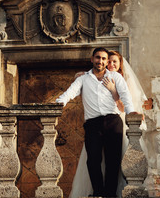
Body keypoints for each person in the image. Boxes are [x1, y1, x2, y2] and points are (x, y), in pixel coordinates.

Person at [56, 47, 136, 197]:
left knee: (113, 161)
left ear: (106, 62)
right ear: (92, 59)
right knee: (93, 160)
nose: (101, 61)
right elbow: (70, 92)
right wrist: (59, 102)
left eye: (104, 59)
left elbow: (125, 95)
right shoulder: (83, 79)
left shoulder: (115, 77)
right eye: (98, 58)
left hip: (113, 122)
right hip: (93, 124)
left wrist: (131, 112)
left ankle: (110, 194)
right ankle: (98, 193)